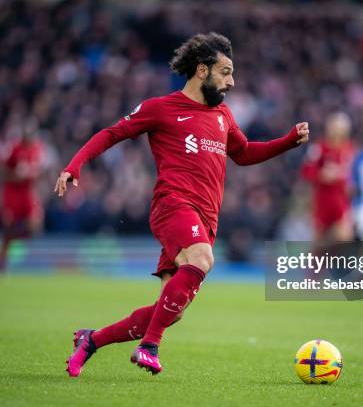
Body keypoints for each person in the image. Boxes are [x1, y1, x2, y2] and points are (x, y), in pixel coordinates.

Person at [55, 32, 309, 376]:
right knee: (203, 259)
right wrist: (75, 165)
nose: (232, 81)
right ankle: (148, 346)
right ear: (202, 70)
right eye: (225, 71)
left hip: (205, 219)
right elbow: (112, 133)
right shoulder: (160, 108)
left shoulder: (222, 115)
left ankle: (92, 341)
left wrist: (288, 141)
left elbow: (245, 153)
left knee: (171, 310)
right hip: (173, 205)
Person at [0, 119, 45, 274]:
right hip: (12, 192)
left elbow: (40, 170)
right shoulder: (14, 148)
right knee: (8, 226)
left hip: (28, 191)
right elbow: (2, 171)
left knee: (35, 225)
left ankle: (13, 238)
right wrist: (15, 175)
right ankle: (1, 263)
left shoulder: (38, 149)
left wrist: (36, 175)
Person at [300, 112, 355, 242]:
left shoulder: (350, 149)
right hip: (321, 199)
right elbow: (306, 171)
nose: (336, 132)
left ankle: (338, 261)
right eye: (334, 128)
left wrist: (345, 178)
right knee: (318, 241)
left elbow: (353, 174)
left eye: (340, 129)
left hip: (341, 199)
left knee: (344, 237)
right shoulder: (319, 147)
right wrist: (321, 175)